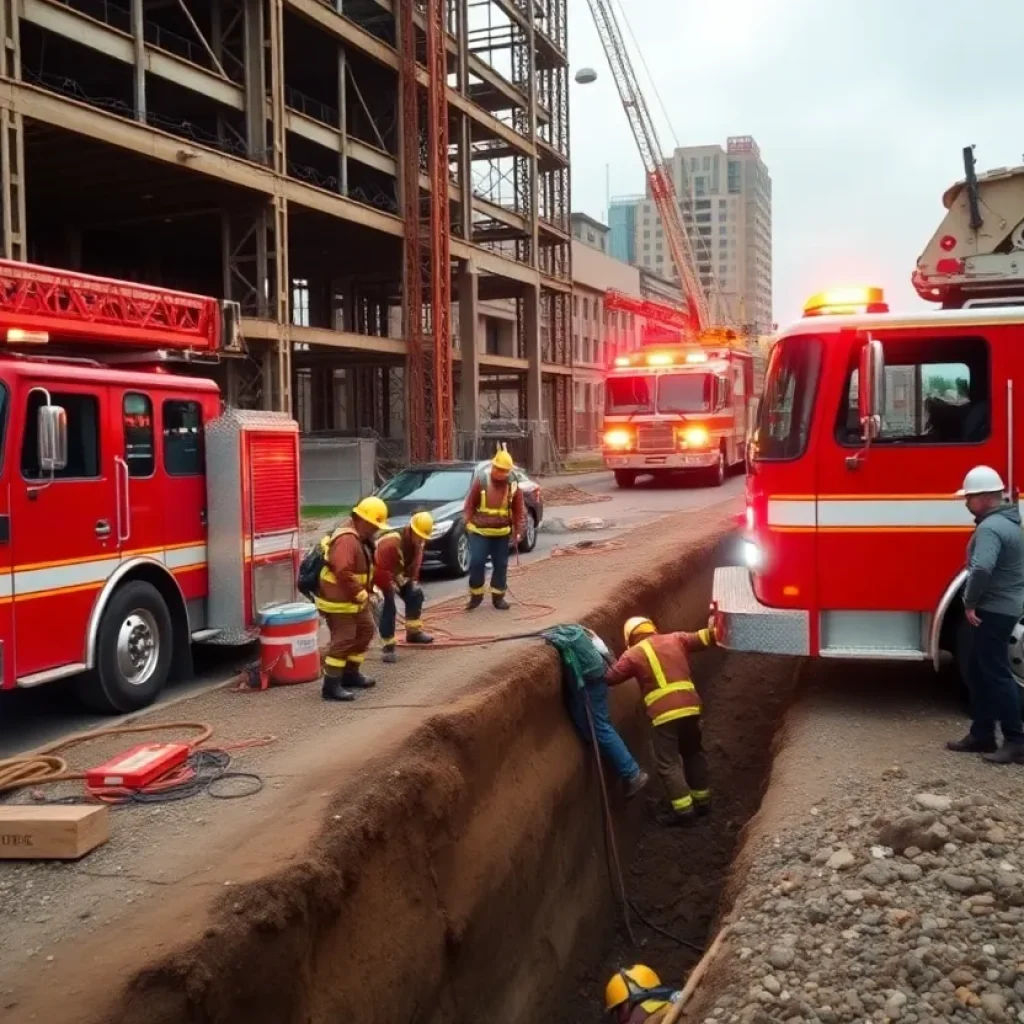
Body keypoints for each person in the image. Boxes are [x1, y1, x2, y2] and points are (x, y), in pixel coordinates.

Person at [606, 615, 716, 826]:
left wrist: (601, 655)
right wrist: (715, 622)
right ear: (652, 628)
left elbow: (611, 677)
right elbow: (705, 637)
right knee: (693, 754)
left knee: (669, 763)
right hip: (691, 708)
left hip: (664, 715)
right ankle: (703, 802)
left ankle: (685, 813)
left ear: (629, 637)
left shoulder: (633, 654)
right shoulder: (676, 638)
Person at [946, 465, 1024, 764]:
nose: (966, 503)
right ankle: (982, 734)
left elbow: (981, 568)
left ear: (982, 498)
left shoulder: (991, 528)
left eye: (969, 498)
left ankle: (1016, 740)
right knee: (979, 672)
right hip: (1004, 607)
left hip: (993, 610)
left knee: (996, 675)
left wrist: (969, 602)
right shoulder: (1009, 523)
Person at [543, 623, 649, 799]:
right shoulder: (588, 636)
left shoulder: (577, 638)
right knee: (583, 716)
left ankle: (633, 773)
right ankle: (597, 744)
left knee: (600, 727)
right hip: (596, 680)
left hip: (590, 685)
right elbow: (610, 661)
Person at [315, 496, 389, 702]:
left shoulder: (360, 538)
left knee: (365, 631)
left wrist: (368, 591)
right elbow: (343, 570)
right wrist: (360, 593)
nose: (376, 530)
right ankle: (330, 686)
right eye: (374, 525)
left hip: (354, 599)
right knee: (344, 638)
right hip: (339, 601)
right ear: (362, 520)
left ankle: (350, 674)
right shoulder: (347, 540)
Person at [464, 448, 525, 611]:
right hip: (480, 531)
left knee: (501, 565)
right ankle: (476, 595)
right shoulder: (482, 480)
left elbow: (518, 509)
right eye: (498, 469)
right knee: (477, 562)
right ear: (493, 466)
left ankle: (498, 598)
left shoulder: (513, 484)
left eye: (504, 471)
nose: (500, 473)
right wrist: (467, 522)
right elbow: (470, 504)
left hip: (501, 533)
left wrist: (518, 530)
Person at [375, 511, 435, 664]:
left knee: (415, 594)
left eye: (424, 537)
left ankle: (413, 633)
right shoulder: (391, 543)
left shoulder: (417, 543)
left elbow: (414, 565)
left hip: (396, 573)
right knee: (389, 605)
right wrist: (390, 587)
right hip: (378, 574)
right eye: (419, 536)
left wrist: (412, 581)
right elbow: (380, 569)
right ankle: (388, 647)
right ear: (411, 529)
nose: (422, 540)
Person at [604, 964, 681, 1023]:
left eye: (618, 1009)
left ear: (631, 1000)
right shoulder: (671, 1001)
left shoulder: (640, 1013)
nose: (618, 1018)